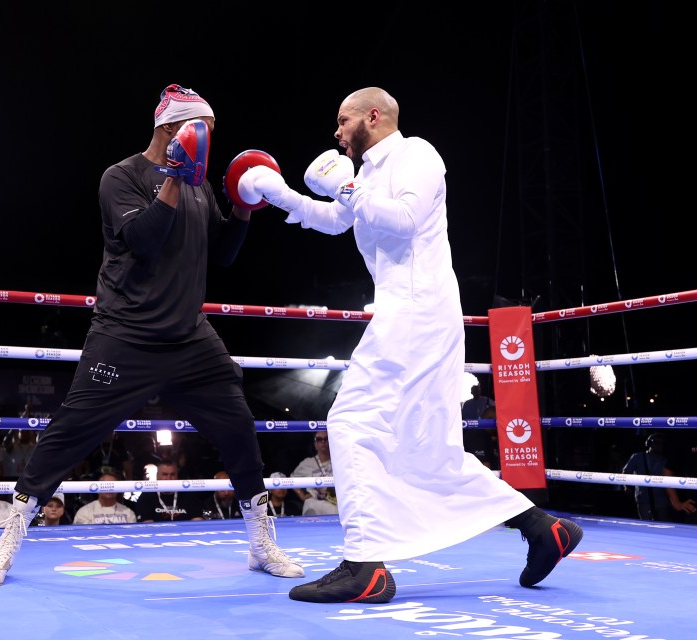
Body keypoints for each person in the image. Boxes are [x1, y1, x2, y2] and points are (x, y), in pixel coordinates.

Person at [237, 86, 582, 603]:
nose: (335, 132)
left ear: (372, 117)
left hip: (417, 309)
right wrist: (276, 190)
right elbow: (336, 221)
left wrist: (346, 185)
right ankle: (542, 529)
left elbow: (403, 219)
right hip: (411, 311)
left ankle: (364, 567)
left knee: (350, 421)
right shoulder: (368, 175)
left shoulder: (417, 154)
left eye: (343, 120)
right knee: (431, 448)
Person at [0, 83, 302, 586]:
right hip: (125, 334)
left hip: (190, 338)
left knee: (239, 429)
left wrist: (242, 207)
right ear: (174, 130)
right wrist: (174, 176)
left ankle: (261, 545)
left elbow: (224, 254)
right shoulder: (120, 177)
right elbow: (144, 242)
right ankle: (5, 544)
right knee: (67, 436)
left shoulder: (199, 185)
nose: (209, 145)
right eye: (204, 133)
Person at [132, 459, 204, 522]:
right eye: (165, 474)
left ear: (177, 476)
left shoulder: (189, 496)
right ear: (157, 476)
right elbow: (147, 526)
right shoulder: (147, 496)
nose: (169, 478)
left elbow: (197, 522)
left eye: (172, 474)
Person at [621, 433, 672, 521]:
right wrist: (627, 487)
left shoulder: (665, 460)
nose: (659, 445)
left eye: (661, 443)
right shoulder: (637, 457)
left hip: (661, 501)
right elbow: (626, 472)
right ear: (649, 443)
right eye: (656, 442)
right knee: (645, 526)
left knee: (662, 527)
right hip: (643, 499)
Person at [290, 432, 339, 516]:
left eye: (326, 439)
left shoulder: (339, 462)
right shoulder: (307, 463)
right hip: (313, 503)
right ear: (315, 444)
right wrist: (302, 495)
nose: (323, 442)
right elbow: (292, 479)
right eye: (319, 439)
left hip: (334, 503)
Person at [72, 470, 137, 525]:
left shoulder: (128, 513)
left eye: (113, 486)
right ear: (97, 489)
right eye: (105, 485)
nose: (109, 488)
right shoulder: (84, 512)